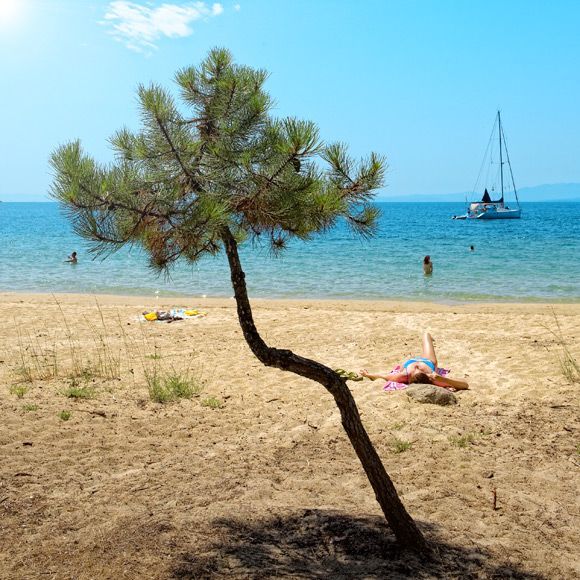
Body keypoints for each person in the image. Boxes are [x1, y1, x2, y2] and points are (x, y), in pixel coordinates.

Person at [360, 331, 469, 390]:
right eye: (420, 370)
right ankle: (429, 337)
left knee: (425, 335)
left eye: (415, 370)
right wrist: (444, 380)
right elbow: (465, 385)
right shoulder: (433, 378)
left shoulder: (402, 376)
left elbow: (382, 376)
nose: (416, 367)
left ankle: (428, 336)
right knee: (426, 335)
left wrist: (367, 374)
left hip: (410, 361)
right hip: (428, 360)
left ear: (410, 377)